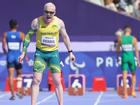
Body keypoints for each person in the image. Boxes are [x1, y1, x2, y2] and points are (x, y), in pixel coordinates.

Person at [18, 2, 75, 105]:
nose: (48, 15)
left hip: (53, 54)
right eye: (46, 12)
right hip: (40, 54)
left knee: (57, 81)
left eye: (51, 12)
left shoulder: (59, 23)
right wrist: (23, 52)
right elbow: (28, 37)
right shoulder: (36, 22)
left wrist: (70, 52)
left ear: (55, 12)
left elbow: (65, 37)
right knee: (36, 80)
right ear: (43, 11)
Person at [2, 19, 25, 100]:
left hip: (10, 57)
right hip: (18, 57)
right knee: (19, 74)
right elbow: (25, 44)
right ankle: (18, 91)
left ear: (9, 25)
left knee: (11, 76)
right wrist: (23, 53)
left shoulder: (5, 34)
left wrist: (6, 53)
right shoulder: (21, 34)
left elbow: (4, 47)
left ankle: (13, 95)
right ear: (17, 25)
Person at [116, 25, 140, 98]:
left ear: (124, 31)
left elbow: (118, 50)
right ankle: (133, 92)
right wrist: (138, 61)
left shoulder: (120, 39)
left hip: (124, 58)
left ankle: (125, 94)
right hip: (131, 58)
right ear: (130, 31)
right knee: (133, 75)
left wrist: (117, 57)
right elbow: (136, 51)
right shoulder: (134, 39)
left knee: (124, 76)